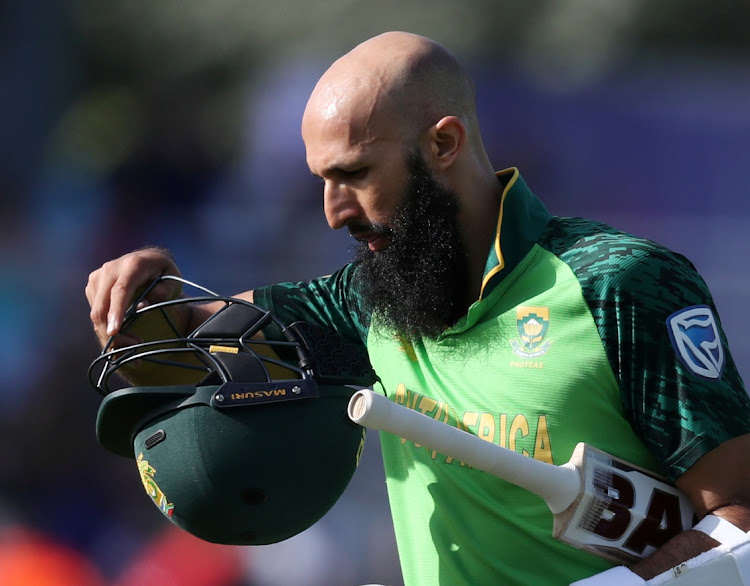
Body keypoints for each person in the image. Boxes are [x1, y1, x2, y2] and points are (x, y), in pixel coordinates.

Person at [86, 31, 750, 585]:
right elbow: (176, 340)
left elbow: (739, 522)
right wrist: (147, 284)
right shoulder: (364, 300)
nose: (332, 211)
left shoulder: (620, 284)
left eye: (353, 175)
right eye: (322, 181)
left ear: (442, 144)